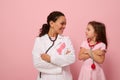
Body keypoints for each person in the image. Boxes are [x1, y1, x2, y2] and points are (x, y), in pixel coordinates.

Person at [32, 11, 75, 80]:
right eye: (62, 23)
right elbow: (38, 63)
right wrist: (60, 67)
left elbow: (71, 58)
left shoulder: (66, 40)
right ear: (52, 23)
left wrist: (50, 59)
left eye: (65, 24)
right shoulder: (39, 41)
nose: (64, 26)